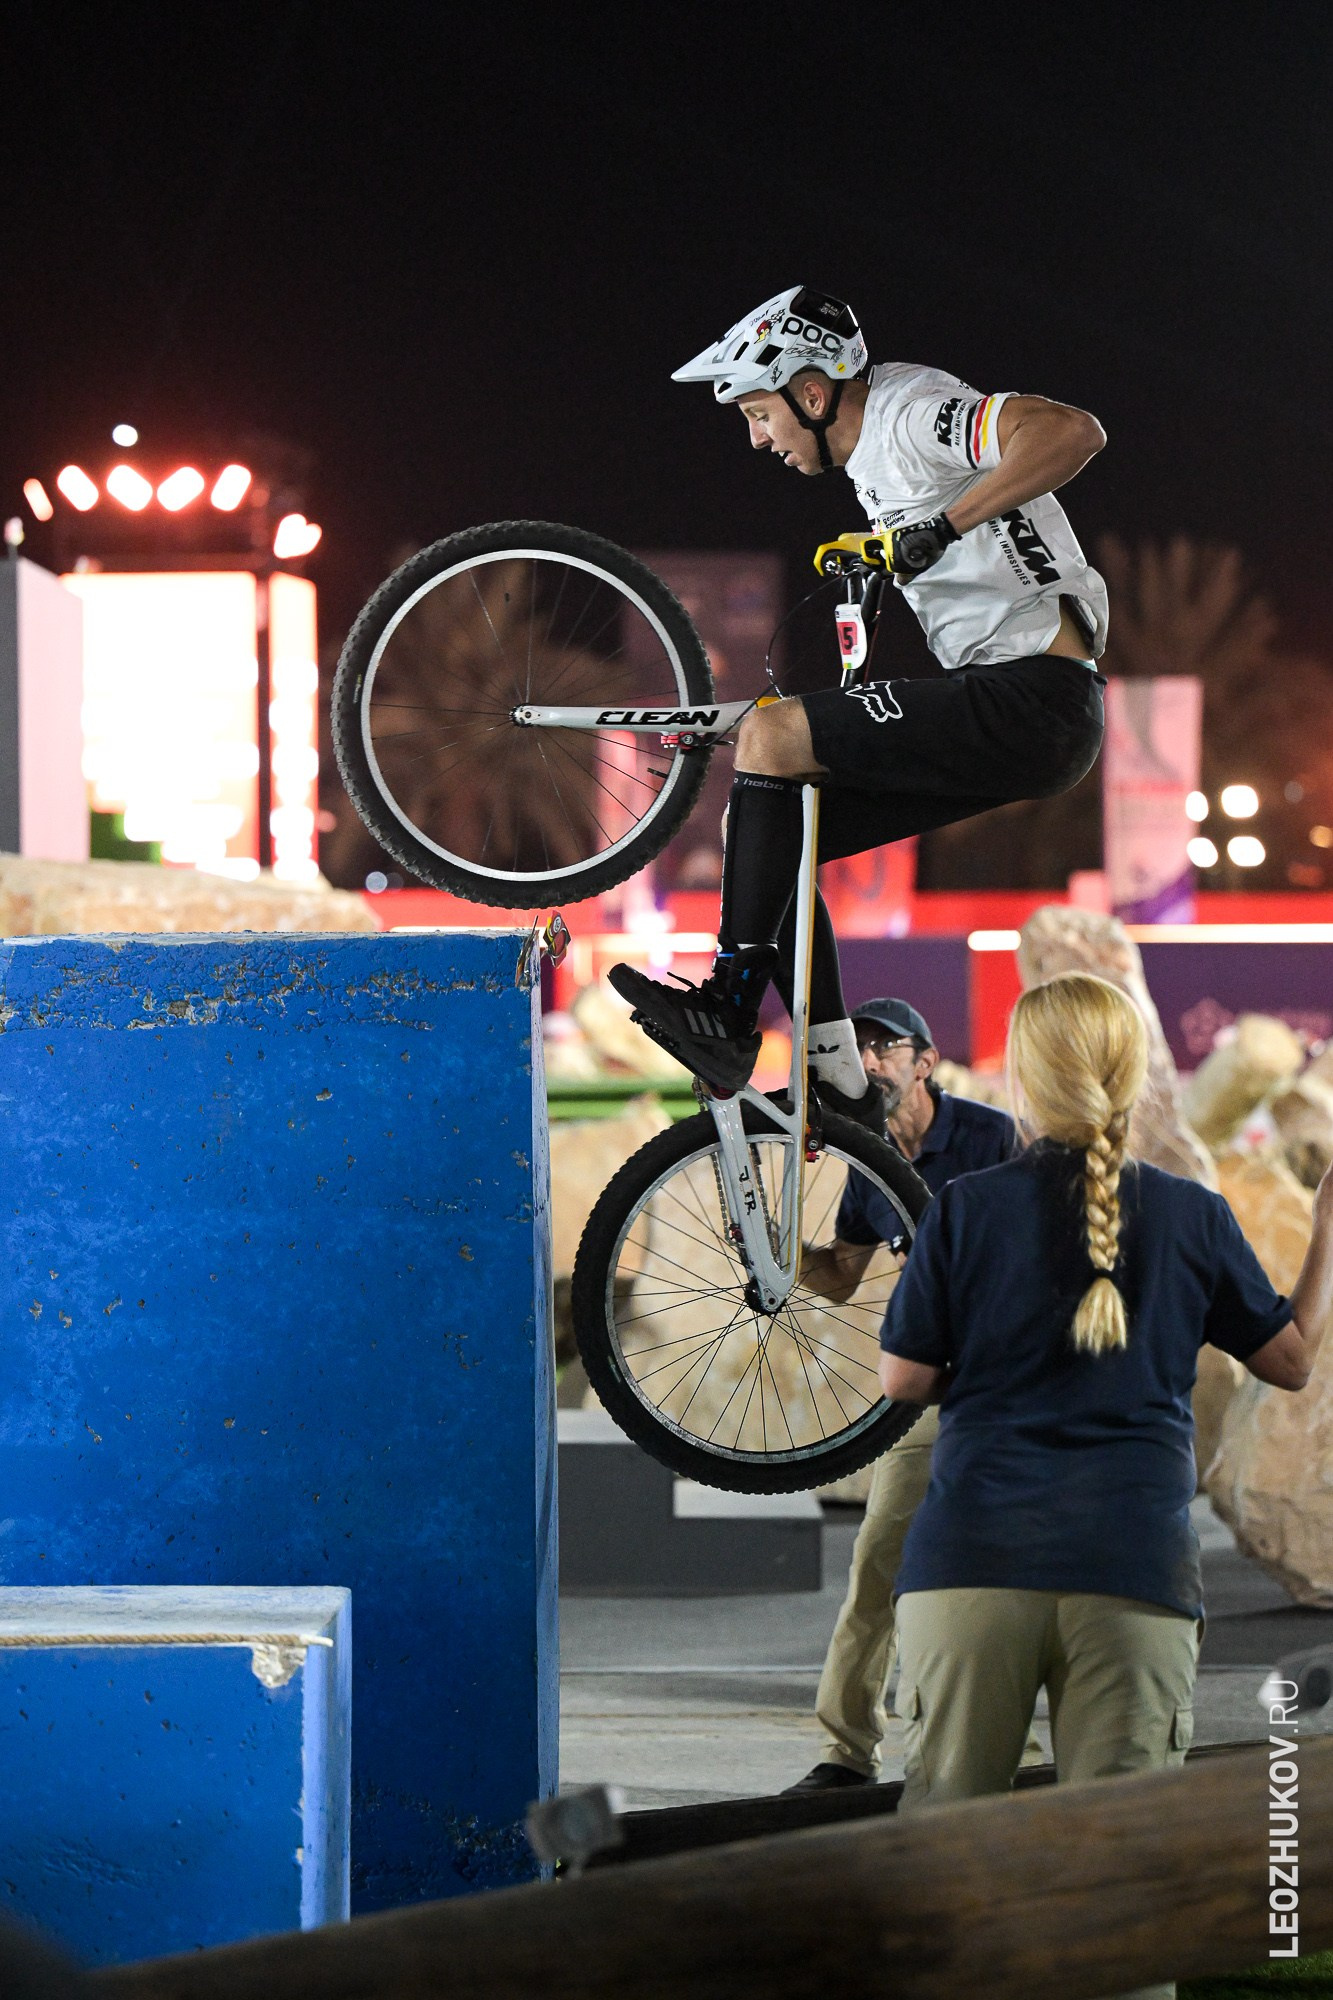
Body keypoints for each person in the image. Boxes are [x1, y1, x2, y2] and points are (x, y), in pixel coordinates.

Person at [878, 973, 1332, 2000]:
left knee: (949, 1859)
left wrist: (985, 1365)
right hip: (1132, 1574)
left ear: (1023, 1080)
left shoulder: (961, 1208)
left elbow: (903, 1379)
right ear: (1128, 1076)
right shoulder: (1191, 1213)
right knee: (1122, 1882)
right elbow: (1292, 1360)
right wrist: (1327, 1222)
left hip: (971, 1567)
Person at [611, 285, 1108, 1125]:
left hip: (1035, 697)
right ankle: (838, 1068)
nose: (756, 437)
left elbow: (1071, 431)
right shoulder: (874, 457)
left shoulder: (907, 415)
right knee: (767, 831)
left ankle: (730, 1012)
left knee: (772, 734)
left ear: (811, 393)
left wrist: (942, 528)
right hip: (1024, 708)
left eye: (758, 413)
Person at [789, 996, 1020, 1792]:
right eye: (853, 1049)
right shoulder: (870, 1164)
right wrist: (776, 1250)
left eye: (883, 1046)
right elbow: (842, 1276)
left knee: (1011, 1576)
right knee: (875, 1569)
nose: (867, 1061)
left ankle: (1015, 1755)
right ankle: (843, 1755)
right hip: (924, 1392)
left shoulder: (992, 1136)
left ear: (925, 1062)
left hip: (1010, 1393)